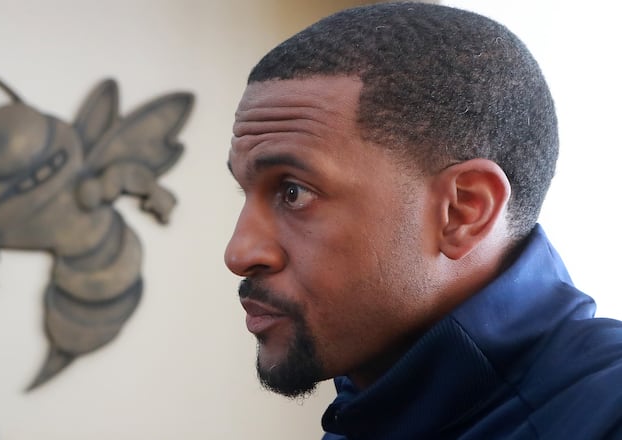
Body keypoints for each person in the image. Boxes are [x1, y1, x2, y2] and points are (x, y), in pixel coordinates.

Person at [223, 2, 622, 439]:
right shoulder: (364, 416)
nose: (239, 254)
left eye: (294, 193)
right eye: (247, 193)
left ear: (463, 212)